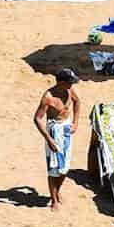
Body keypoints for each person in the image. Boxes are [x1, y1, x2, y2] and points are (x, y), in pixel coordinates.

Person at [35, 69, 81, 206]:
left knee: (65, 166)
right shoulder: (48, 97)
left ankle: (57, 190)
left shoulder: (70, 90)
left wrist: (76, 122)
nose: (71, 85)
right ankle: (54, 199)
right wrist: (49, 139)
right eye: (69, 82)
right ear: (61, 82)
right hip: (54, 131)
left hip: (66, 128)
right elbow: (37, 119)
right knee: (53, 167)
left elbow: (77, 102)